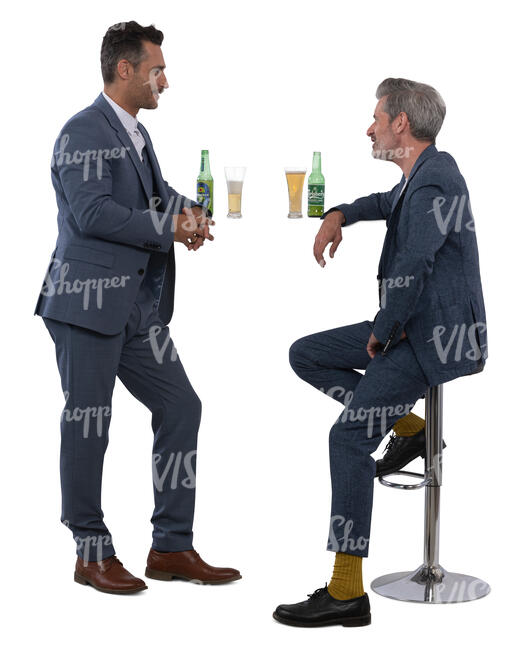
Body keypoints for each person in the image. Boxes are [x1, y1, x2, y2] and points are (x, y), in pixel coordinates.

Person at [35, 21, 241, 595]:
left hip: (135, 308)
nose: (164, 81)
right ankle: (90, 552)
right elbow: (91, 213)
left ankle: (171, 547)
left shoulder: (135, 135)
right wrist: (167, 228)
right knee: (89, 425)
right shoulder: (82, 130)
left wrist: (189, 212)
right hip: (85, 303)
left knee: (182, 406)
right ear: (124, 69)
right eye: (157, 69)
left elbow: (151, 196)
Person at [272, 77, 487, 627]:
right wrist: (338, 214)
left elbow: (414, 266)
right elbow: (383, 202)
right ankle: (412, 429)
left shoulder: (436, 182)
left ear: (401, 124)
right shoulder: (418, 176)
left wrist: (385, 331)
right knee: (306, 354)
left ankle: (347, 592)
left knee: (347, 439)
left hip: (430, 337)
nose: (369, 126)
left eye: (376, 117)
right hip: (411, 326)